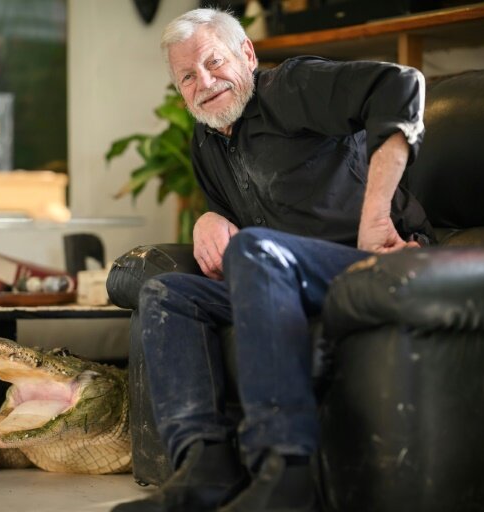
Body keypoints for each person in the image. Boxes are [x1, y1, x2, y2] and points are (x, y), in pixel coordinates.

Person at [114, 7, 434, 512]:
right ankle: (205, 464)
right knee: (168, 293)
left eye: (214, 62)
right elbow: (235, 212)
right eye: (188, 77)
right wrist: (208, 219)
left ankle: (285, 472)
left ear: (247, 53)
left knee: (255, 250)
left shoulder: (291, 88)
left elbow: (401, 84)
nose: (205, 82)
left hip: (377, 263)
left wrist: (375, 216)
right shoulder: (206, 143)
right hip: (282, 279)